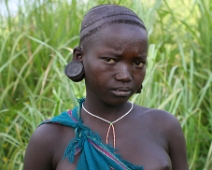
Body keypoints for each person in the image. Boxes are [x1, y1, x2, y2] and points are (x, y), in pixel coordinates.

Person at [24, 4, 188, 170]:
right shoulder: (49, 137)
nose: (125, 75)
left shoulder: (164, 127)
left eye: (137, 63)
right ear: (79, 57)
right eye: (110, 60)